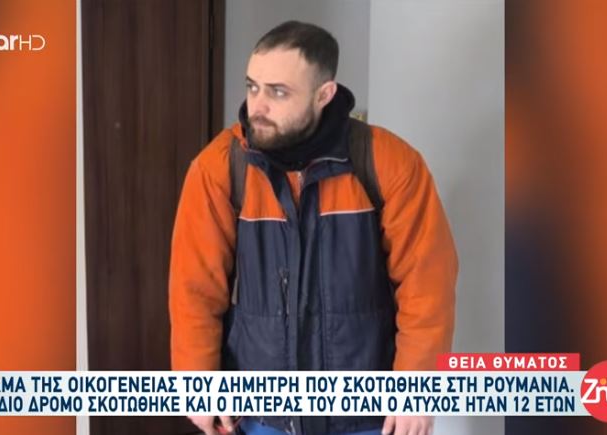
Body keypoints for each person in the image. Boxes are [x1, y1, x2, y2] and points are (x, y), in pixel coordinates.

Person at [169, 21, 458, 435]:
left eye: (278, 92)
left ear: (324, 95)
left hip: (366, 416)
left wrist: (417, 385)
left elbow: (426, 284)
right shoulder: (218, 168)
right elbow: (195, 288)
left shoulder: (390, 163)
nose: (257, 106)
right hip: (262, 415)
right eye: (252, 87)